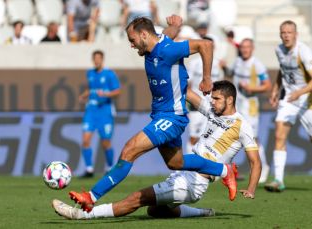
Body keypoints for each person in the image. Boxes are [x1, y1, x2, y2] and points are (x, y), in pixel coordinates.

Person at [67, 15, 238, 213]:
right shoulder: (157, 43)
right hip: (161, 115)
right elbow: (168, 33)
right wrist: (175, 25)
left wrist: (207, 78)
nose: (132, 45)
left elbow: (205, 45)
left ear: (144, 35)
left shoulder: (168, 50)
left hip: (171, 117)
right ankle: (225, 171)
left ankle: (91, 196)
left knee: (129, 149)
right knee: (177, 163)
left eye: (132, 40)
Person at [53, 80, 261, 220]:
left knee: (137, 198)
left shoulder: (242, 125)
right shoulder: (214, 112)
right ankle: (201, 212)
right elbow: (187, 92)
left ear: (230, 100)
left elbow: (255, 161)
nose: (212, 102)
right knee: (155, 210)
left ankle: (81, 215)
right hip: (183, 170)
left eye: (216, 99)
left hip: (196, 180)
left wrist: (251, 188)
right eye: (212, 98)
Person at [265, 20, 312, 192]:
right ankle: (278, 180)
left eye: (289, 32)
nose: (286, 35)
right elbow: (282, 70)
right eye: (283, 32)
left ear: (296, 34)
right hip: (289, 99)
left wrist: (299, 93)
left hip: (307, 99)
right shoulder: (279, 50)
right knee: (279, 135)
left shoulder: (304, 51)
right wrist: (275, 90)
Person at [229, 38, 272, 183]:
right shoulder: (237, 62)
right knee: (231, 135)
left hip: (251, 107)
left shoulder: (257, 65)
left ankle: (263, 167)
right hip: (237, 106)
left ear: (252, 48)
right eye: (243, 47)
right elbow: (230, 73)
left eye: (248, 47)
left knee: (252, 138)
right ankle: (226, 169)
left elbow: (267, 85)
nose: (245, 50)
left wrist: (251, 88)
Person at [79, 50, 121, 177]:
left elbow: (118, 91)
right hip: (91, 111)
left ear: (102, 59)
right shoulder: (90, 73)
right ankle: (89, 169)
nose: (97, 61)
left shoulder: (109, 74)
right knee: (85, 140)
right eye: (95, 58)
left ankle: (110, 167)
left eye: (99, 58)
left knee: (105, 142)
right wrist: (84, 95)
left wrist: (106, 94)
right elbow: (91, 89)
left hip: (105, 111)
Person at [186, 36, 223, 154]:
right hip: (196, 105)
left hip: (213, 106)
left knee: (211, 139)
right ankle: (188, 168)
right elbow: (188, 85)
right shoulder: (193, 63)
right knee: (194, 137)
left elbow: (221, 87)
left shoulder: (219, 64)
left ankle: (206, 170)